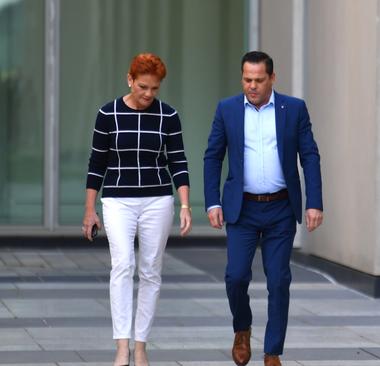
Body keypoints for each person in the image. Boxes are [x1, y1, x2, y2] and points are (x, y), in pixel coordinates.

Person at [203, 51, 323, 366]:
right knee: (236, 276)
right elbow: (212, 156)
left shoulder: (293, 109)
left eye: (258, 80)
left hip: (281, 208)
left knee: (279, 279)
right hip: (242, 210)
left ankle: (272, 352)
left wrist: (314, 203)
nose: (252, 86)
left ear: (272, 78)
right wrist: (213, 200)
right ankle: (242, 329)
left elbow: (309, 155)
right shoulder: (227, 109)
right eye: (247, 79)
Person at [82, 53, 192, 366]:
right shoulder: (109, 113)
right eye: (143, 86)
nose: (148, 94)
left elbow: (178, 163)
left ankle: (141, 346)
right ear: (129, 79)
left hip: (158, 200)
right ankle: (121, 347)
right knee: (122, 266)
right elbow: (96, 164)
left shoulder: (168, 116)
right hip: (117, 200)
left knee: (150, 271)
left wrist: (184, 204)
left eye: (155, 89)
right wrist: (90, 210)